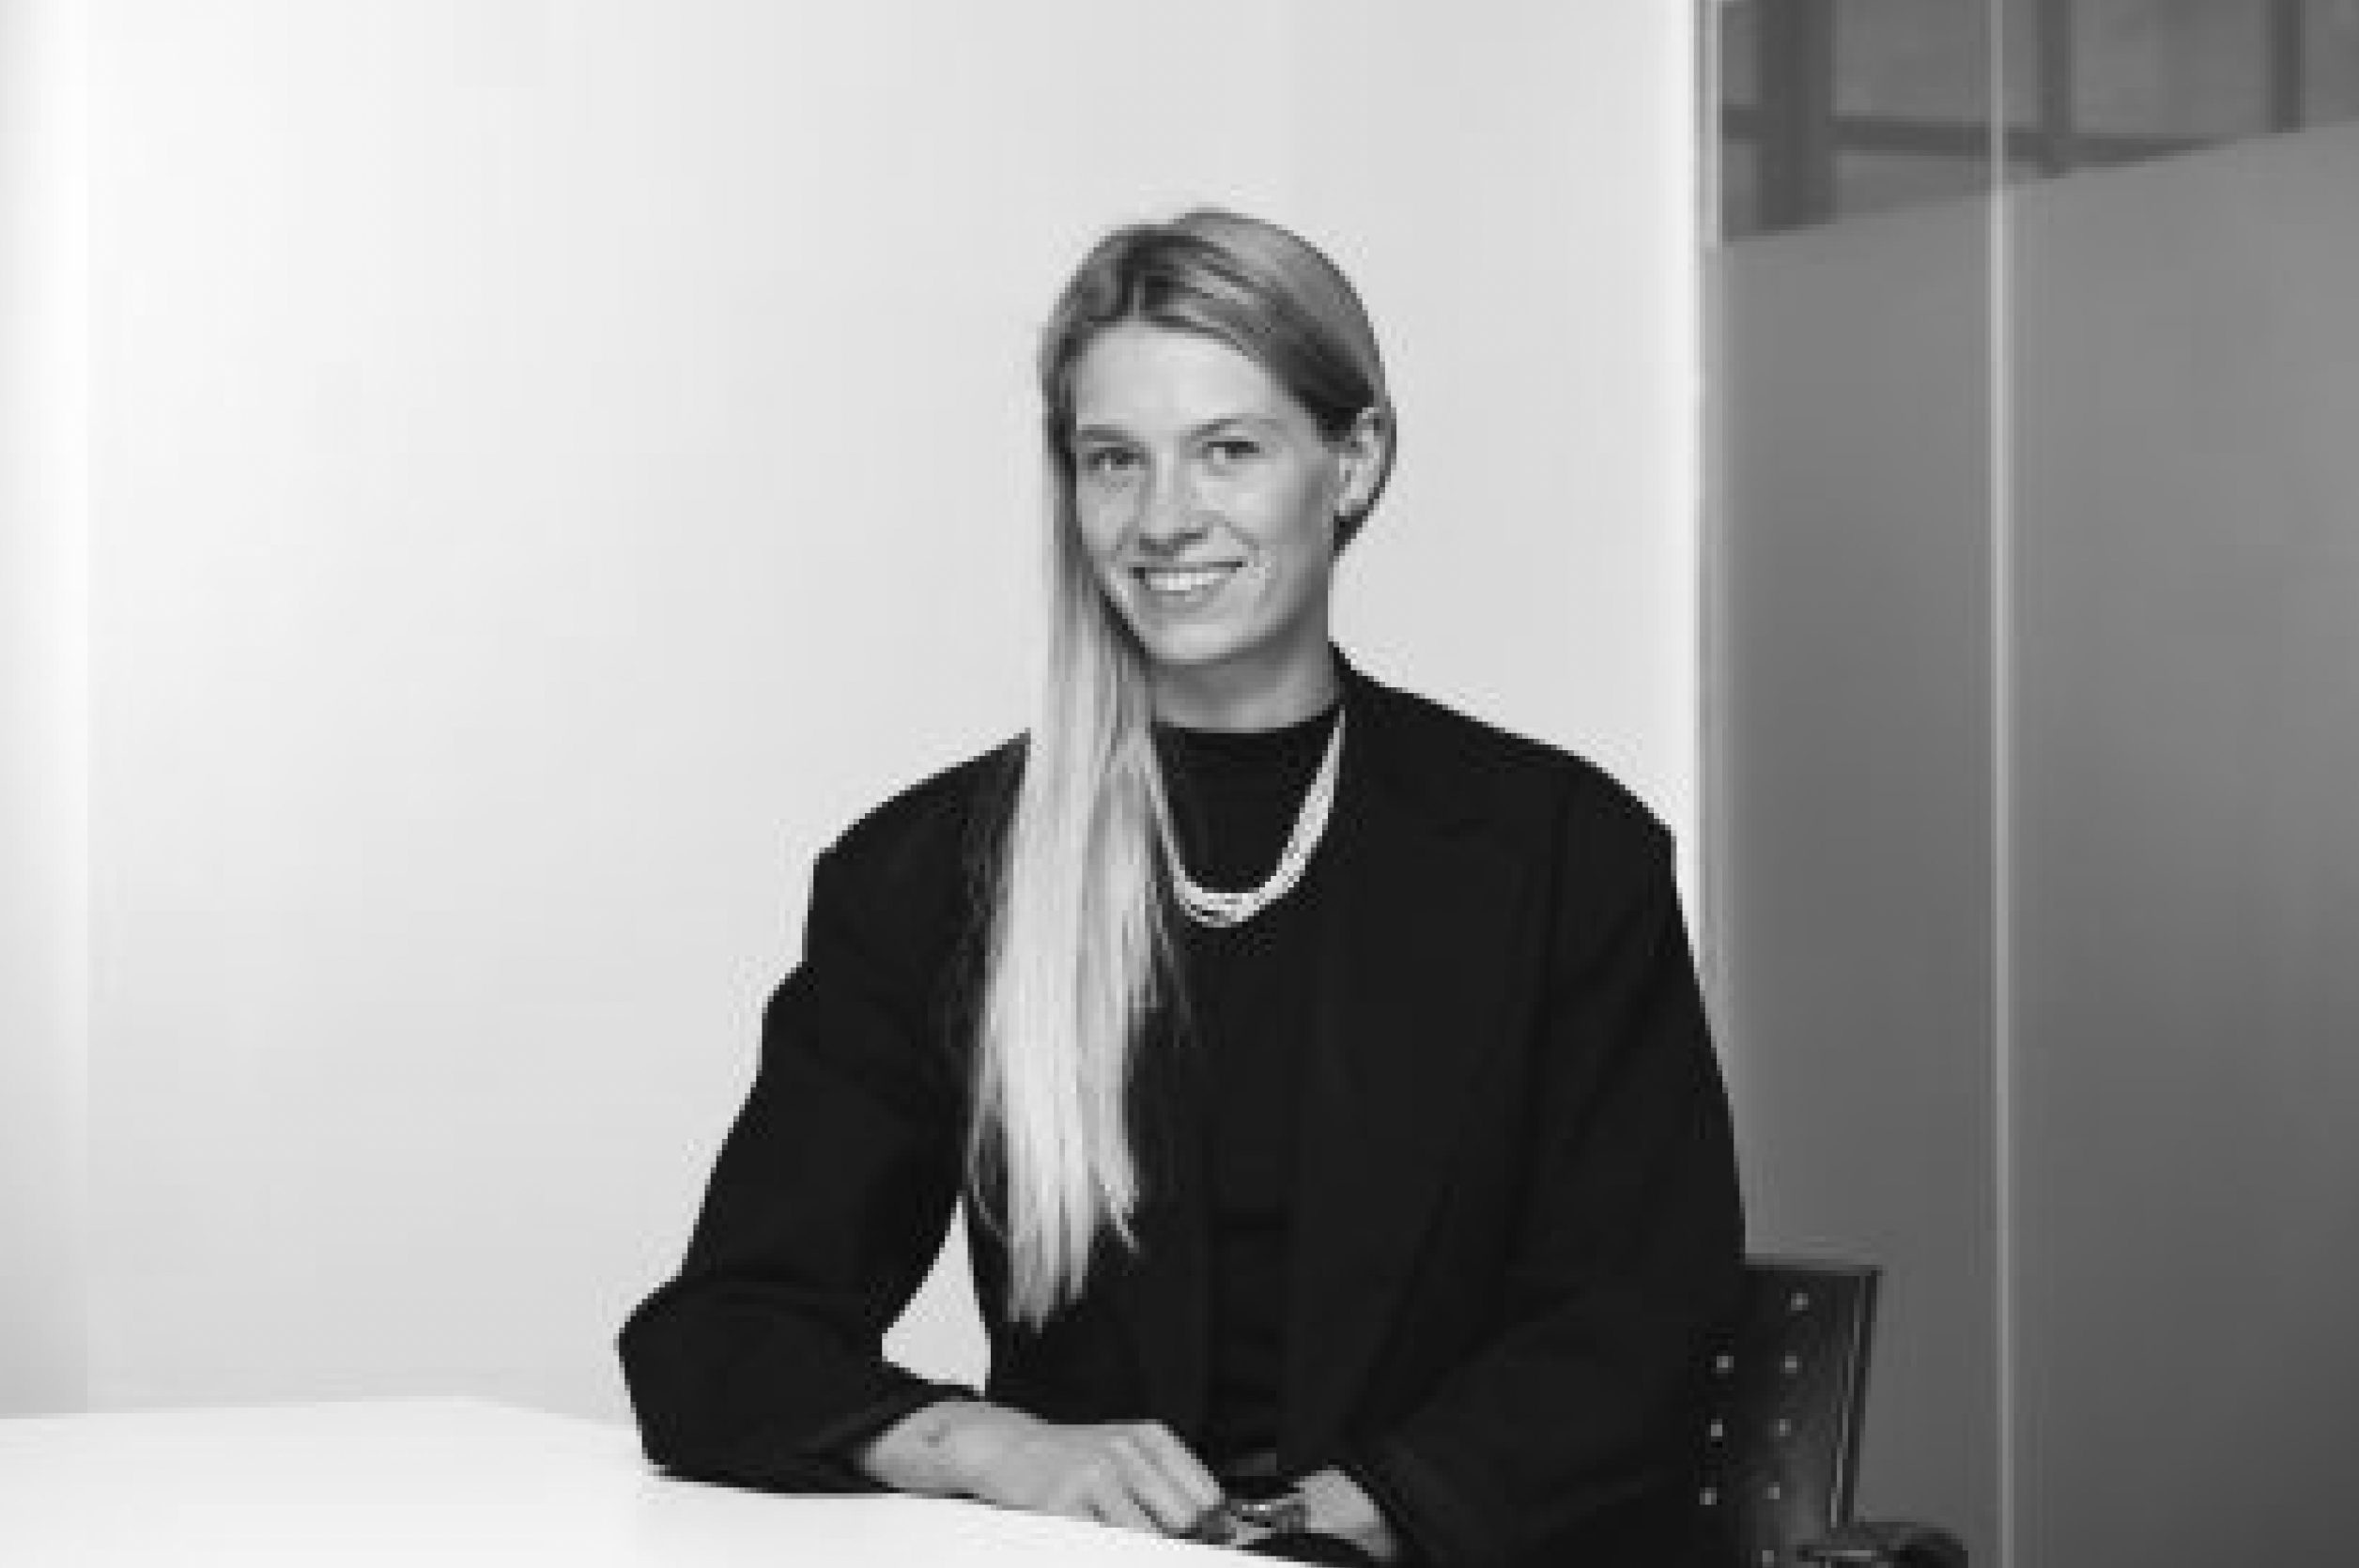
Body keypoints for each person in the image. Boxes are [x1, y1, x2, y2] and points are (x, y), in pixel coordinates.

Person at [619, 208, 1743, 1568]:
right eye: (1114, 459)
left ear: (1352, 461)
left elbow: (1637, 1326)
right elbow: (723, 1336)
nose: (1163, 518)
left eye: (1228, 449)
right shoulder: (930, 874)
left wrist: (1338, 1516)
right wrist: (999, 1449)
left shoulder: (1562, 854)